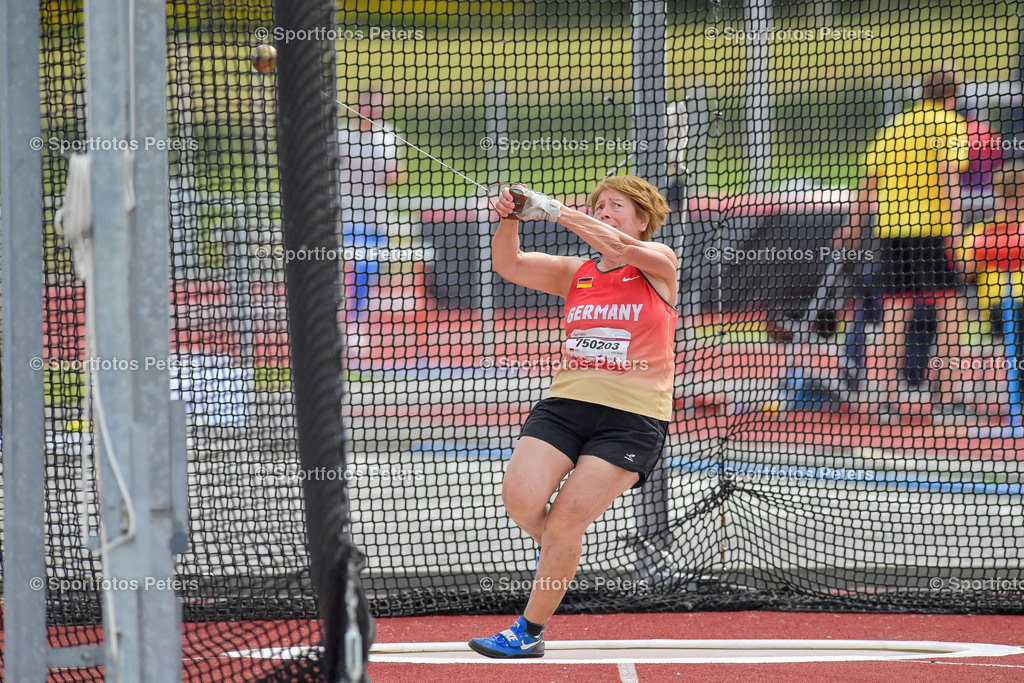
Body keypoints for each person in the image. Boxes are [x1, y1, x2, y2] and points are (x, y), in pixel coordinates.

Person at [468, 176, 676, 659]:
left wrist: (554, 208)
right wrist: (510, 217)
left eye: (616, 206)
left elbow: (619, 248)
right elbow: (509, 264)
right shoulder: (575, 271)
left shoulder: (660, 263)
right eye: (599, 205)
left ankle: (529, 630)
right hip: (565, 407)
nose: (605, 211)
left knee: (564, 524)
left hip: (632, 417)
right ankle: (563, 554)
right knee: (521, 500)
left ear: (643, 219)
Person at [835, 63, 971, 420]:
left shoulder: (897, 125)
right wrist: (956, 234)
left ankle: (884, 400)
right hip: (932, 232)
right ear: (954, 94)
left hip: (891, 232)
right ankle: (947, 400)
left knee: (895, 315)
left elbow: (869, 182)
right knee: (952, 313)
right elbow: (947, 179)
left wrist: (851, 227)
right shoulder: (950, 124)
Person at [336, 89, 402, 350]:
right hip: (348, 215)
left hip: (378, 216)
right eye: (368, 106)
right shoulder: (341, 135)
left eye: (377, 107)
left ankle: (357, 319)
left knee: (371, 270)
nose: (373, 112)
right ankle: (348, 321)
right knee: (356, 266)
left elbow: (396, 177)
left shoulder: (388, 135)